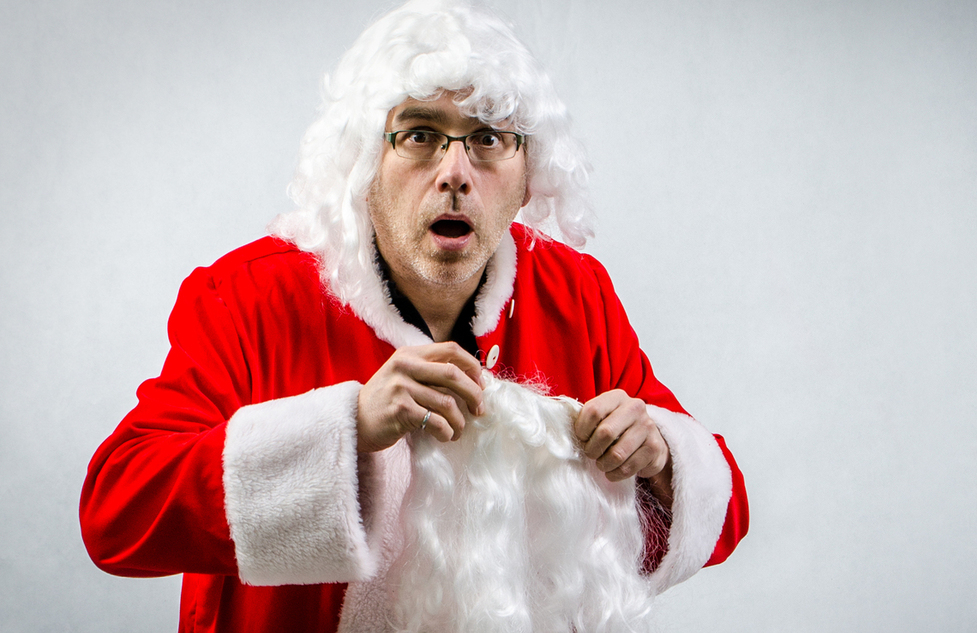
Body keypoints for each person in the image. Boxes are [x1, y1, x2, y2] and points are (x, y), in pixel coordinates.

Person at [79, 1, 748, 631]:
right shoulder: (250, 296)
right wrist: (350, 427)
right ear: (365, 164)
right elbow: (116, 514)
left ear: (527, 175)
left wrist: (659, 455)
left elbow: (724, 514)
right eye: (420, 135)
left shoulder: (576, 295)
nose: (456, 170)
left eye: (488, 138)